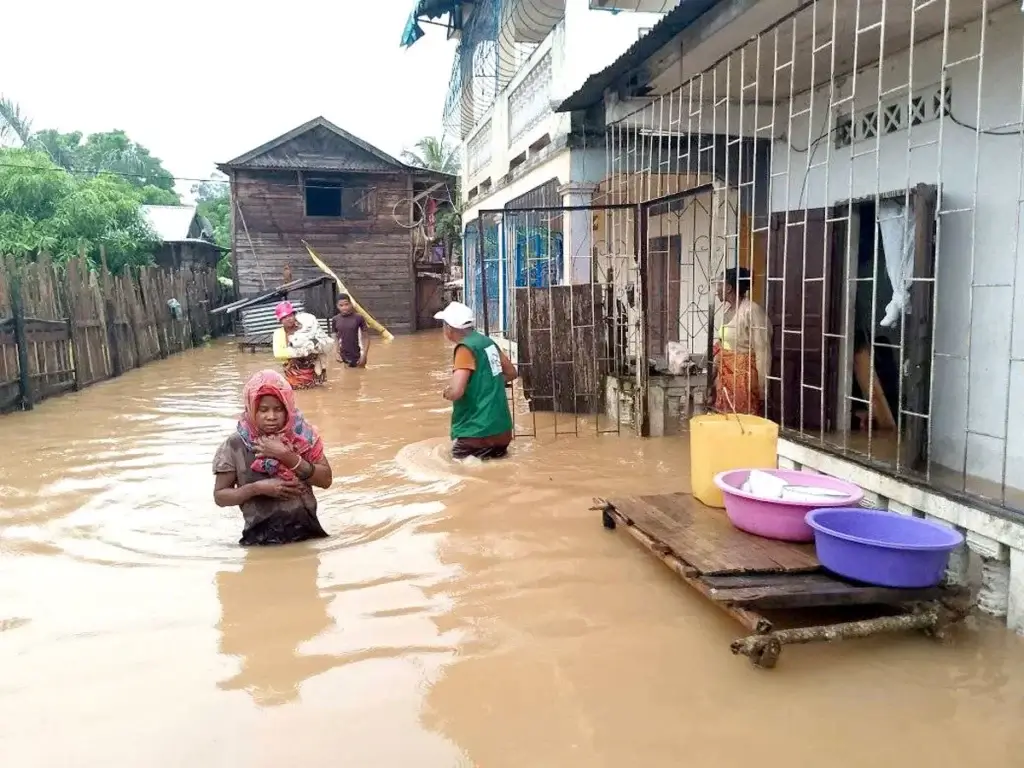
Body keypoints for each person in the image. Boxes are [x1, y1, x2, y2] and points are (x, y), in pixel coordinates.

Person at [213, 369, 334, 546]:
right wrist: (256, 489)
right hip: (259, 543)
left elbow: (326, 480)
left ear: (288, 409)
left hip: (308, 537)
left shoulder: (303, 438)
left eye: (278, 409)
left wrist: (286, 455)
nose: (271, 417)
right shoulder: (235, 445)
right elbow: (220, 496)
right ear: (251, 409)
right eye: (263, 410)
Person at [435, 301, 517, 460]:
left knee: (455, 468)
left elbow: (456, 392)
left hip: (476, 433)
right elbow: (511, 373)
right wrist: (487, 384)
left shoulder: (464, 348)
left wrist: (446, 393)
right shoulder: (487, 342)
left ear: (449, 328)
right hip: (503, 432)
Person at [713, 266, 772, 415]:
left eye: (719, 284)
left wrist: (762, 386)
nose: (716, 289)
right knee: (726, 419)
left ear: (729, 288)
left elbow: (762, 350)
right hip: (726, 377)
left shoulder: (751, 311)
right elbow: (723, 344)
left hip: (744, 378)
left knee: (743, 419)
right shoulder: (727, 311)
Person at [272, 301, 330, 389]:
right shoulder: (278, 334)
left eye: (290, 315)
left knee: (317, 391)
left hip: (313, 368)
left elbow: (322, 343)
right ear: (280, 320)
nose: (288, 319)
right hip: (293, 372)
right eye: (284, 317)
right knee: (297, 391)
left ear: (295, 315)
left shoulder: (306, 327)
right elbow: (278, 353)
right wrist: (301, 352)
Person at [332, 294, 369, 368]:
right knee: (348, 373)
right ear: (337, 306)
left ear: (351, 304)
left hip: (359, 355)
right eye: (341, 305)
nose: (344, 307)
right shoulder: (335, 319)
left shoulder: (359, 318)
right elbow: (335, 337)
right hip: (344, 355)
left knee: (361, 373)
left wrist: (364, 355)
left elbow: (366, 337)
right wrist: (336, 352)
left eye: (346, 304)